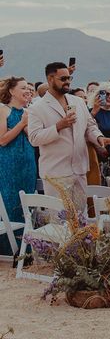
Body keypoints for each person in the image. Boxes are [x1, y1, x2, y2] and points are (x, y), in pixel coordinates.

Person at [27, 62, 110, 211]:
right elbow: (34, 138)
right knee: (59, 223)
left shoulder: (78, 102)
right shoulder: (37, 108)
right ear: (50, 79)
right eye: (63, 78)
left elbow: (89, 126)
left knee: (81, 218)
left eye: (69, 78)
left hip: (79, 170)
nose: (68, 82)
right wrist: (59, 126)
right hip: (56, 174)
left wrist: (99, 138)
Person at [0, 77, 37, 255]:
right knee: (10, 201)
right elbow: (2, 140)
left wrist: (27, 125)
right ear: (11, 90)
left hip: (28, 164)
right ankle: (9, 250)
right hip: (8, 164)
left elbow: (34, 140)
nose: (28, 91)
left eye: (29, 89)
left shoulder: (29, 111)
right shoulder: (3, 110)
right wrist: (21, 123)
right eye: (23, 88)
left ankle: (26, 248)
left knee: (27, 204)